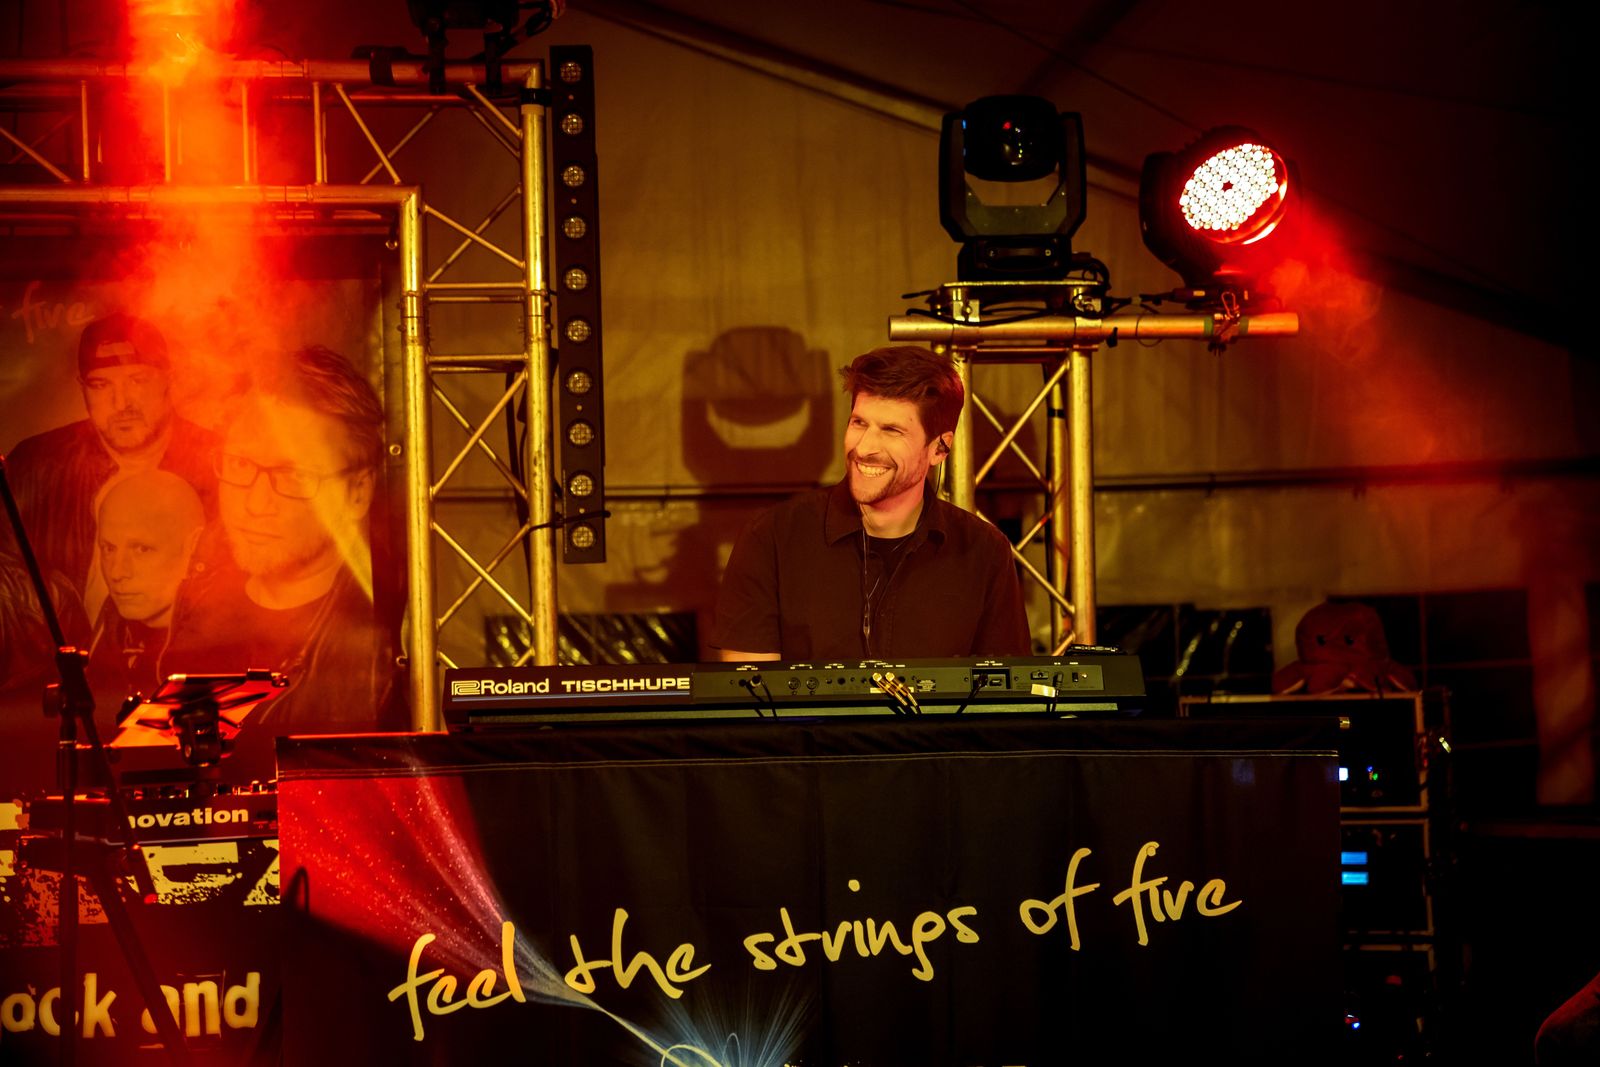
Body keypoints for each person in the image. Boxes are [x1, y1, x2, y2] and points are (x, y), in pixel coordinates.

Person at [711, 345, 1030, 661]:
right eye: (859, 423)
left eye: (891, 430)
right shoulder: (772, 538)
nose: (864, 448)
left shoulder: (984, 552)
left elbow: (1006, 688)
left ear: (939, 448)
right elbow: (749, 687)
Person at [163, 345, 401, 738]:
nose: (256, 504)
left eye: (295, 476)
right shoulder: (197, 598)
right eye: (241, 463)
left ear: (357, 492)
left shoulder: (393, 635)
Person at [3, 312, 217, 628]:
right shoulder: (34, 466)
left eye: (137, 380)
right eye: (101, 385)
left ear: (168, 379)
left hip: (189, 654)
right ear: (83, 388)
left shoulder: (219, 464)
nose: (121, 403)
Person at [85, 470, 205, 697]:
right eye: (109, 548)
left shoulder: (227, 644)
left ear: (194, 546)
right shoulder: (110, 630)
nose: (117, 572)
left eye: (142, 549)